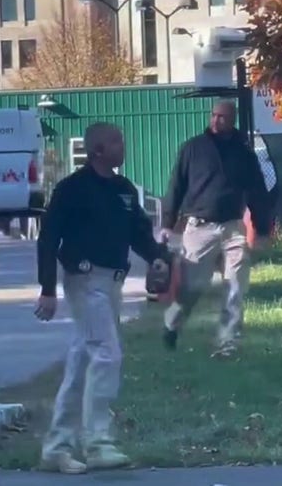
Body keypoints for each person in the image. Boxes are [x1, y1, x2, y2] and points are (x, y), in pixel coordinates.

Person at [34, 122, 170, 474]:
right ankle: (98, 444)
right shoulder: (72, 189)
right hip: (83, 280)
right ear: (97, 149)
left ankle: (57, 448)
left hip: (112, 284)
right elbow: (48, 239)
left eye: (121, 140)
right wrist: (47, 289)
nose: (122, 146)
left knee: (83, 364)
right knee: (107, 354)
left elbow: (138, 232)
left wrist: (157, 256)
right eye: (115, 141)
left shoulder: (124, 190)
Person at [159, 99, 273, 358]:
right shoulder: (193, 149)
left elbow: (257, 192)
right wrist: (167, 224)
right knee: (191, 288)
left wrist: (262, 228)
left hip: (233, 227)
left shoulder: (243, 154)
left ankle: (227, 343)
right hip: (199, 227)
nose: (216, 120)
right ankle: (172, 325)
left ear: (232, 120)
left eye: (222, 117)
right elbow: (175, 186)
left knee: (235, 286)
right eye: (214, 116)